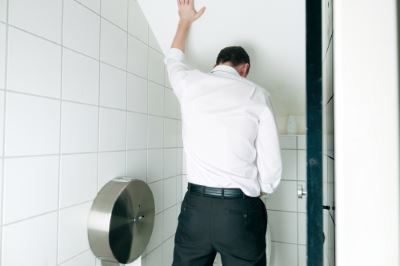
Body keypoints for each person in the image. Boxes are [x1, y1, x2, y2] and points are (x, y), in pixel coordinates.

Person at [164, 0, 282, 265]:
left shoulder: (190, 83)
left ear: (217, 64)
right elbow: (271, 167)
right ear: (244, 69)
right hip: (238, 210)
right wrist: (257, 190)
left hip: (195, 208)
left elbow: (172, 59)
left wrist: (185, 20)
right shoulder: (258, 95)